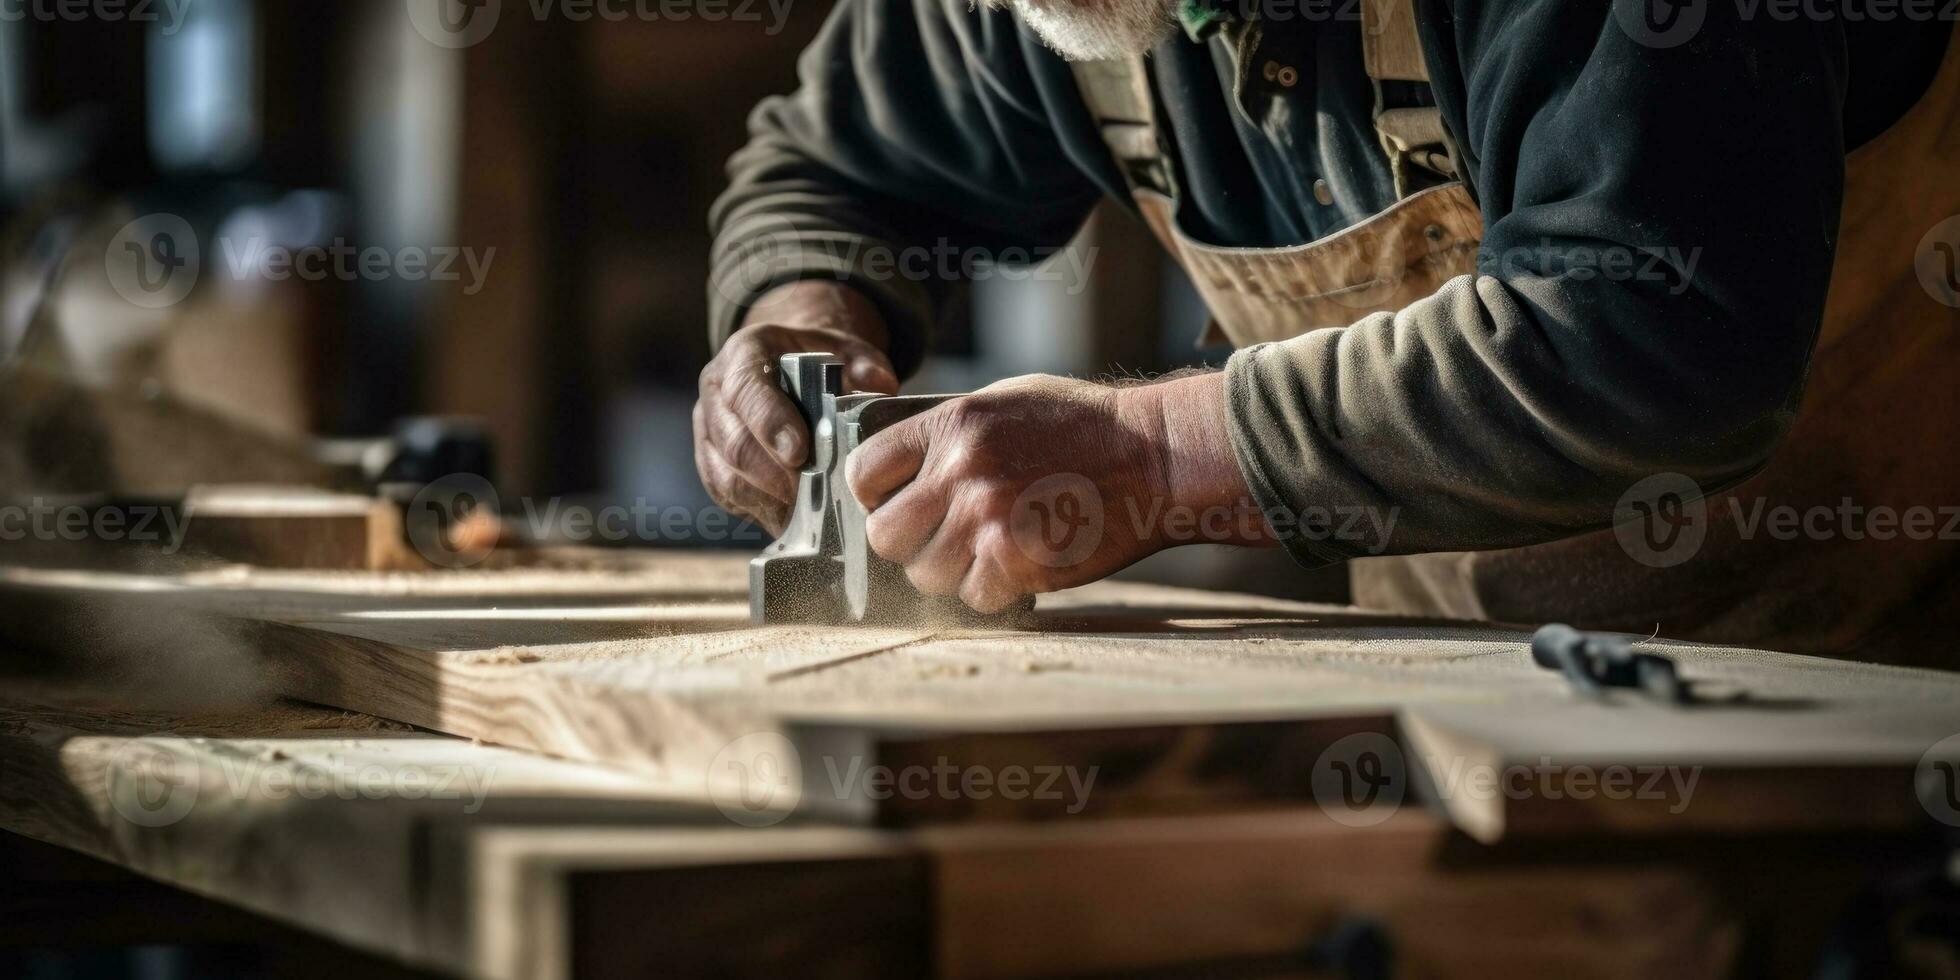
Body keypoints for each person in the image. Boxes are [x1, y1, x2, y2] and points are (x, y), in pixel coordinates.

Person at [697, 0, 1960, 665]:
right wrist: (798, 312)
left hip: (1878, 696)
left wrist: (1148, 455)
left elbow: (1650, 330)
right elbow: (834, 170)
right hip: (1478, 698)